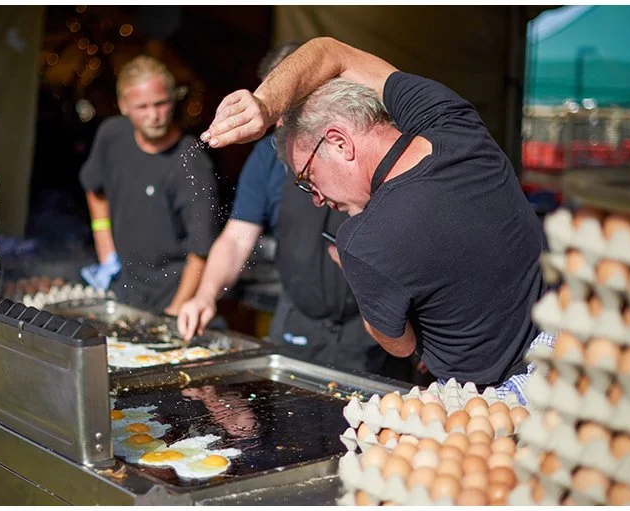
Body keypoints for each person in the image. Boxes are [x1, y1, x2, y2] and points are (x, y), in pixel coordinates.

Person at [198, 37, 553, 404]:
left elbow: (400, 345)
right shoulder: (450, 119)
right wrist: (266, 104)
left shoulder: (364, 242)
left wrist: (365, 280)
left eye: (306, 178)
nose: (317, 197)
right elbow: (334, 52)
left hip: (493, 400)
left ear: (339, 142)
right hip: (561, 345)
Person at [177, 42, 424, 382]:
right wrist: (205, 295)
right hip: (298, 320)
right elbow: (236, 238)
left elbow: (419, 243)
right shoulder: (266, 156)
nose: (279, 124)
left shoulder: (366, 147)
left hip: (371, 331)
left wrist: (427, 330)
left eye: (286, 108)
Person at [79, 56, 220, 315]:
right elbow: (94, 186)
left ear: (173, 100)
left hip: (171, 294)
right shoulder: (112, 135)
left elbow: (202, 251)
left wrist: (176, 310)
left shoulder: (192, 163)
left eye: (161, 104)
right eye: (142, 107)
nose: (154, 116)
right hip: (123, 288)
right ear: (123, 105)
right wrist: (105, 247)